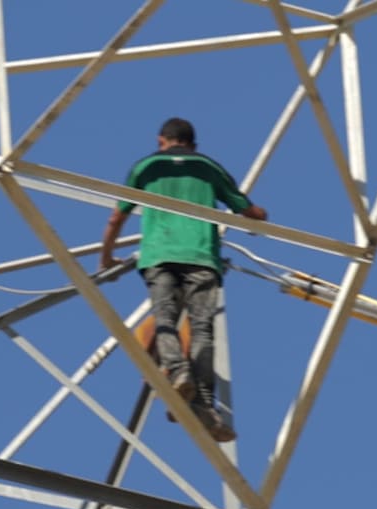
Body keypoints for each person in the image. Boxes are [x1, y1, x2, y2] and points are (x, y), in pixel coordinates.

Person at [99, 117, 268, 442]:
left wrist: (106, 257)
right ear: (193, 144)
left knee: (165, 319)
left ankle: (178, 373)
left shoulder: (147, 167)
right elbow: (246, 210)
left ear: (161, 140)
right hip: (200, 256)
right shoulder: (208, 167)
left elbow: (116, 216)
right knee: (202, 328)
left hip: (159, 255)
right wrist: (261, 217)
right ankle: (202, 402)